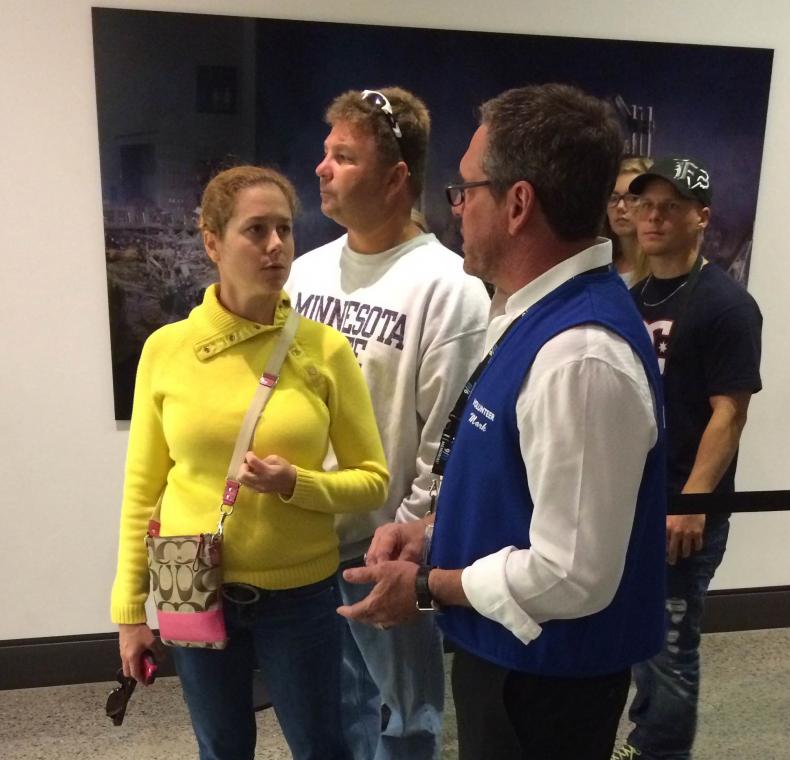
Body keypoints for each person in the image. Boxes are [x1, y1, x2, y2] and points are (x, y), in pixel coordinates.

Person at [338, 83, 668, 760]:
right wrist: (431, 534)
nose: (454, 208)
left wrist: (428, 588)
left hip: (547, 686)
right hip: (512, 661)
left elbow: (572, 575)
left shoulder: (580, 356)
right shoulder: (528, 314)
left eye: (466, 190)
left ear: (517, 203)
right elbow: (517, 489)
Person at [110, 166, 389, 760]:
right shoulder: (166, 351)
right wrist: (131, 612)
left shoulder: (324, 349)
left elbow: (372, 481)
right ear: (211, 241)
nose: (275, 247)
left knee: (322, 747)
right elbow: (142, 491)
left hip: (300, 595)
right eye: (255, 230)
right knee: (222, 749)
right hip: (194, 585)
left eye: (285, 229)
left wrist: (298, 484)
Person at [286, 86, 489, 760]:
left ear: (396, 176)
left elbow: (447, 435)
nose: (323, 168)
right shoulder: (304, 275)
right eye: (326, 152)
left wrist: (407, 540)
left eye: (344, 156)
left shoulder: (447, 285)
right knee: (326, 714)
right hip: (304, 543)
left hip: (382, 547)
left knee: (405, 720)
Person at [613, 157, 763, 760]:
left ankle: (660, 751)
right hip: (630, 502)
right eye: (644, 204)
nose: (652, 216)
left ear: (701, 217)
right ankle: (644, 737)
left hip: (683, 511)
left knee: (671, 648)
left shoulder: (727, 306)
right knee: (637, 638)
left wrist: (693, 504)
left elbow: (729, 414)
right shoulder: (629, 298)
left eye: (670, 207)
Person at [606, 156, 654, 286]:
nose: (620, 206)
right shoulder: (602, 269)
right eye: (613, 197)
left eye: (632, 198)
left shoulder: (663, 269)